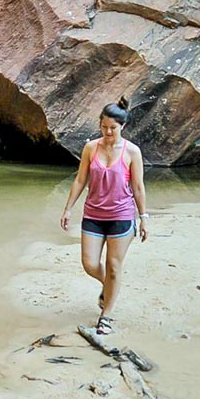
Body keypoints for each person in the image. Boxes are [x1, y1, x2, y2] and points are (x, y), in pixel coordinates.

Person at [59, 98, 148, 335]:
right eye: (104, 127)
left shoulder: (132, 152)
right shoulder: (91, 148)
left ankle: (105, 315)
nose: (108, 132)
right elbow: (80, 180)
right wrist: (68, 208)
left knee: (113, 267)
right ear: (100, 124)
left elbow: (138, 187)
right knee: (89, 264)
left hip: (121, 215)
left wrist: (144, 217)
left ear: (123, 127)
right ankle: (108, 286)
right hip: (93, 214)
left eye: (113, 128)